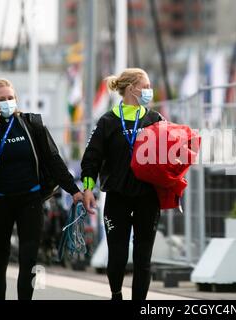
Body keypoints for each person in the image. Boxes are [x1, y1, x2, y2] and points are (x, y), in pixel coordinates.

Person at [0, 78, 83, 300]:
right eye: (2, 99)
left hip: (30, 201)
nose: (8, 102)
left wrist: (74, 190)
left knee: (29, 261)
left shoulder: (31, 125)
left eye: (11, 98)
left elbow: (53, 159)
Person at [81, 68, 163, 300]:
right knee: (117, 256)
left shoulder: (155, 119)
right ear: (131, 89)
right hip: (117, 197)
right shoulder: (108, 121)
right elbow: (91, 159)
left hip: (148, 198)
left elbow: (170, 159)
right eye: (145, 86)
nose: (149, 91)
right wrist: (88, 188)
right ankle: (116, 294)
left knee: (143, 258)